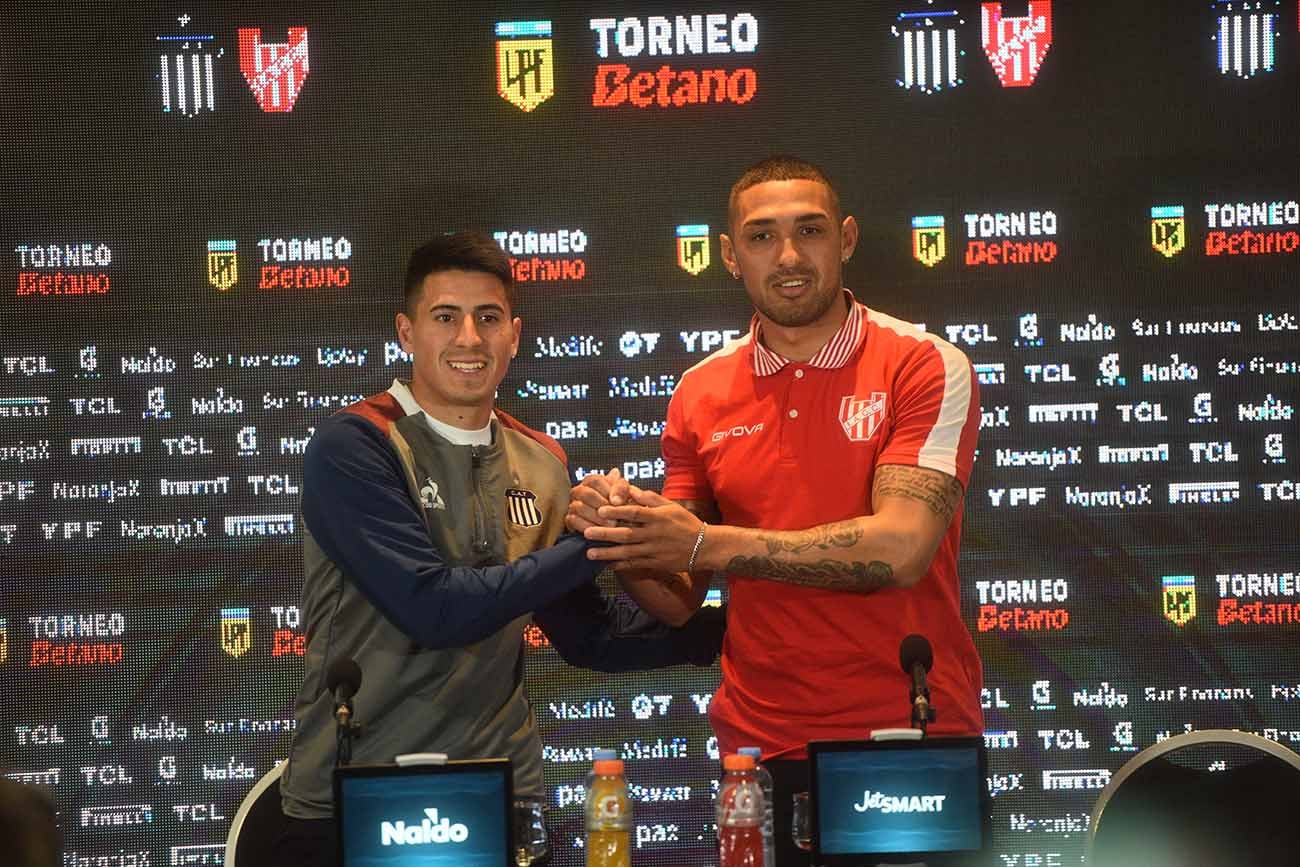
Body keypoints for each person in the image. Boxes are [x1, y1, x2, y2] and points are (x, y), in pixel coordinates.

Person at [570, 157, 984, 866]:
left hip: (910, 736)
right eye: (762, 237)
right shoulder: (700, 391)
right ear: (730, 255)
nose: (789, 257)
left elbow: (900, 548)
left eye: (810, 231)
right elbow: (675, 601)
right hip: (756, 749)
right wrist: (623, 536)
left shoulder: (922, 363)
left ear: (846, 238)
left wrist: (701, 543)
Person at [276, 232, 724, 866]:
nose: (468, 339)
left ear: (514, 335)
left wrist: (739, 632)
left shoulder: (542, 463)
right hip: (358, 791)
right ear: (406, 333)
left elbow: (588, 637)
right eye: (445, 317)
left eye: (487, 318)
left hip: (503, 790)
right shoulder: (355, 444)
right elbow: (436, 610)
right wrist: (601, 539)